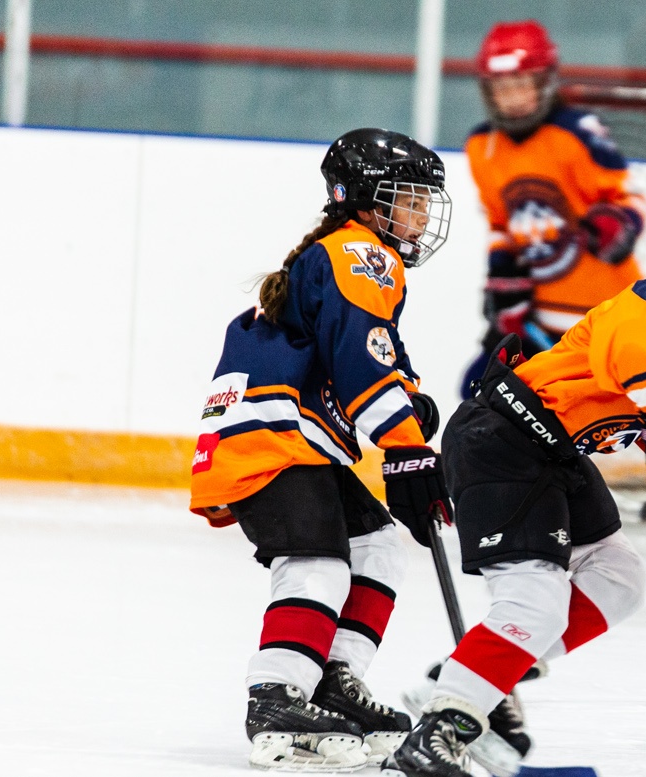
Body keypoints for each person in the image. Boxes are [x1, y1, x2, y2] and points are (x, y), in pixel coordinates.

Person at [385, 213, 646, 777]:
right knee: (535, 601)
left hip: (559, 456)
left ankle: (465, 679)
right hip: (503, 438)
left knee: (620, 579)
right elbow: (629, 351)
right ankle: (436, 736)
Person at [188, 128, 458, 771]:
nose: (422, 216)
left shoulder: (346, 255)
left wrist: (409, 404)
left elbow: (369, 353)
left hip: (295, 440)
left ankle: (331, 680)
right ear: (364, 200)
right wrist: (406, 449)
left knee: (377, 549)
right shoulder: (362, 253)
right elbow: (359, 356)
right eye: (410, 200)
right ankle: (277, 694)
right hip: (269, 442)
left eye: (426, 201)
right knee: (320, 563)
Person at [460, 19, 646, 395]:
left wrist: (618, 224)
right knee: (478, 389)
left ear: (544, 83)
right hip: (540, 317)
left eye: (521, 85)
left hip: (607, 311)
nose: (511, 98)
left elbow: (630, 197)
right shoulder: (482, 145)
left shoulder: (576, 132)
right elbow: (501, 224)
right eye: (502, 88)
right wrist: (504, 284)